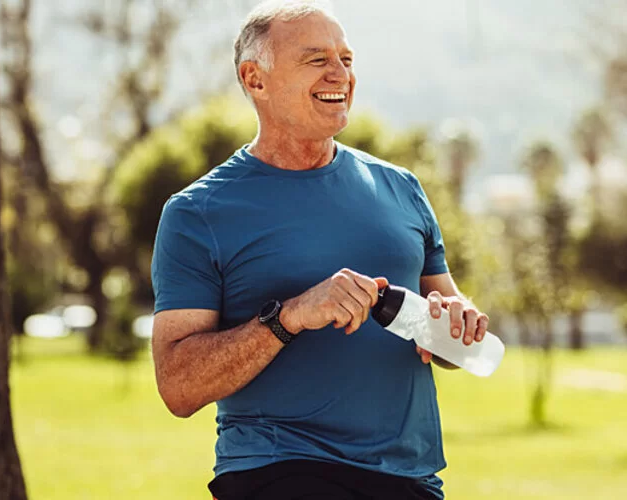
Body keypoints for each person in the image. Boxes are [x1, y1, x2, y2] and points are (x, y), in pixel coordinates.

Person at [150, 1, 490, 498]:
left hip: (410, 478)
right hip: (281, 470)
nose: (340, 74)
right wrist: (288, 317)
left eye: (347, 59)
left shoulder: (402, 189)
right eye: (317, 59)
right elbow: (178, 387)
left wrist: (459, 324)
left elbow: (457, 346)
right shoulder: (198, 213)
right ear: (255, 79)